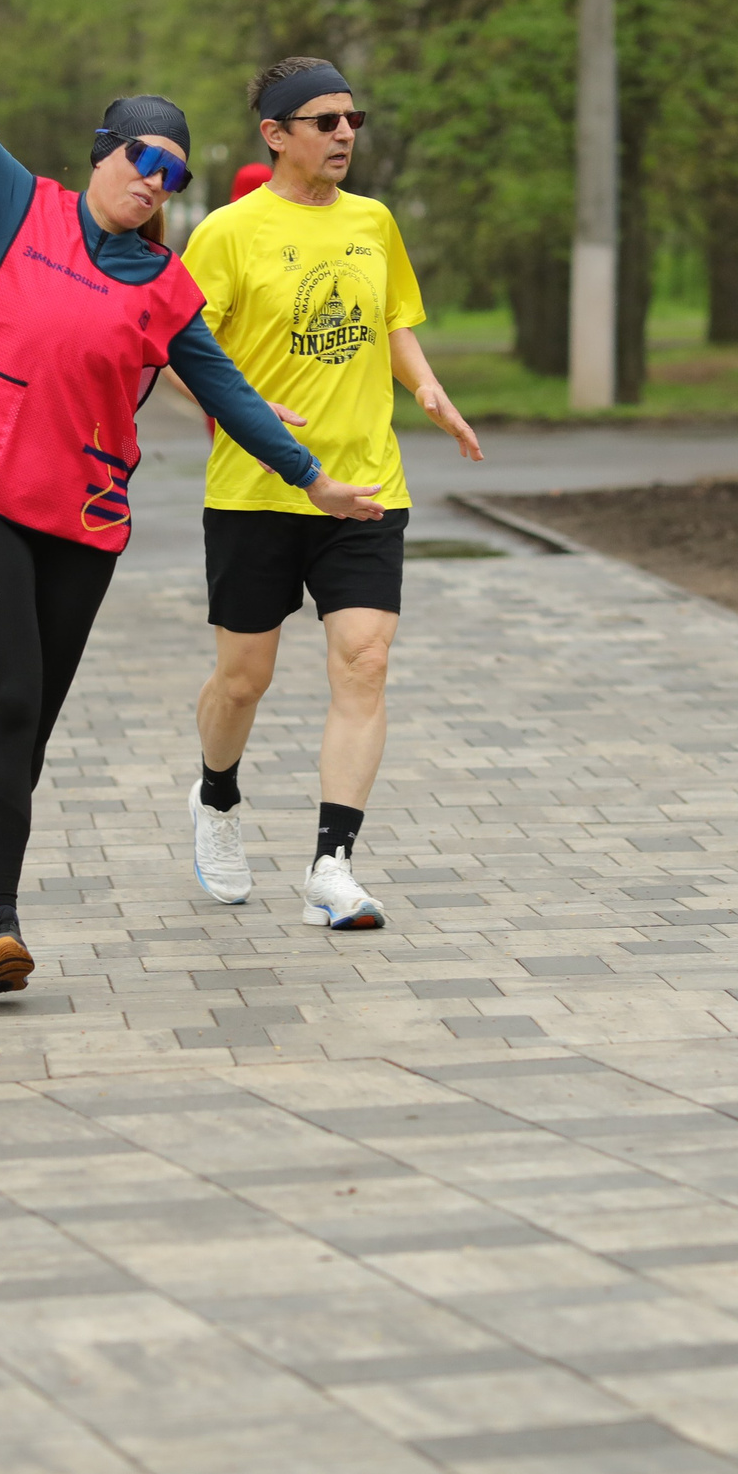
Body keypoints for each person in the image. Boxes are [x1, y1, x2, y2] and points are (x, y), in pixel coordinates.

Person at [0, 0, 382, 994]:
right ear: (102, 152)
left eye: (171, 172)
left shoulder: (164, 288)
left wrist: (314, 480)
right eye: (140, 159)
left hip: (81, 525)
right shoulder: (15, 204)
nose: (152, 182)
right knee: (11, 701)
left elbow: (230, 394)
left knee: (31, 726)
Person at [176, 57, 485, 929]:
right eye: (324, 121)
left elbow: (392, 323)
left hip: (366, 485)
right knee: (244, 680)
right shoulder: (229, 233)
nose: (345, 133)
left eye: (353, 119)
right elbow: (177, 351)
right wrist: (235, 407)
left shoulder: (375, 222)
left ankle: (331, 865)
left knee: (366, 660)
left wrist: (427, 390)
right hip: (259, 492)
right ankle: (216, 798)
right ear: (275, 134)